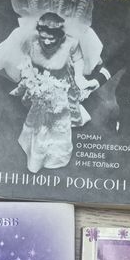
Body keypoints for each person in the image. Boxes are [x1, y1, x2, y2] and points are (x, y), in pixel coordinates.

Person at [7, 13, 99, 172]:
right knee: (40, 121)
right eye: (43, 37)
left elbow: (78, 60)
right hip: (40, 86)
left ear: (60, 36)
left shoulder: (71, 43)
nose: (47, 42)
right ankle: (37, 156)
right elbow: (25, 58)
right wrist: (28, 76)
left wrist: (79, 77)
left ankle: (55, 156)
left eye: (51, 38)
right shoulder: (32, 40)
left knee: (57, 121)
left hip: (60, 88)